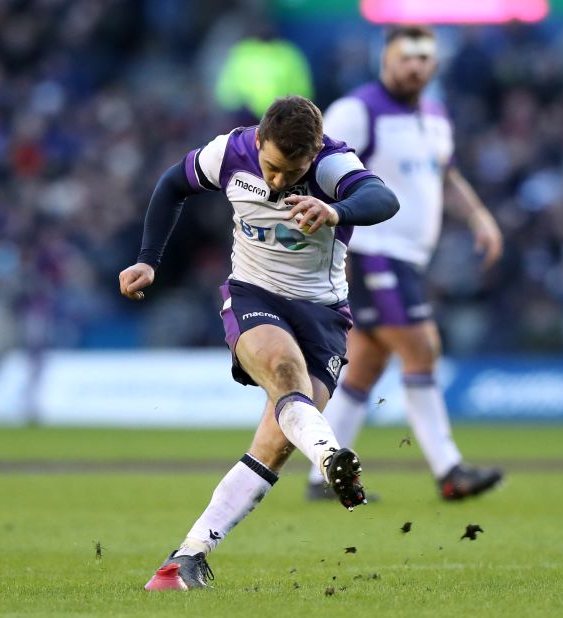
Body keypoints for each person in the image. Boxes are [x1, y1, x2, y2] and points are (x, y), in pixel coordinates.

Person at [119, 95, 399, 590]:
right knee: (286, 376)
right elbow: (171, 186)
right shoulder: (229, 152)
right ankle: (333, 457)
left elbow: (383, 199)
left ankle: (187, 557)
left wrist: (334, 210)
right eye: (269, 167)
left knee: (275, 443)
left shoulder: (333, 164)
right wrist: (149, 259)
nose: (275, 182)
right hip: (254, 294)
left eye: (289, 173)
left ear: (312, 156)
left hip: (323, 314)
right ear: (259, 140)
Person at [305, 25, 505, 502]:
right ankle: (449, 470)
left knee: (366, 366)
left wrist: (479, 216)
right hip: (374, 251)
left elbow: (447, 174)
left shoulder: (435, 116)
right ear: (385, 62)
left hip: (409, 258)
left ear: (434, 66)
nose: (414, 66)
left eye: (423, 58)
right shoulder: (357, 110)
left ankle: (322, 476)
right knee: (422, 348)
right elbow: (315, 170)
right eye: (404, 57)